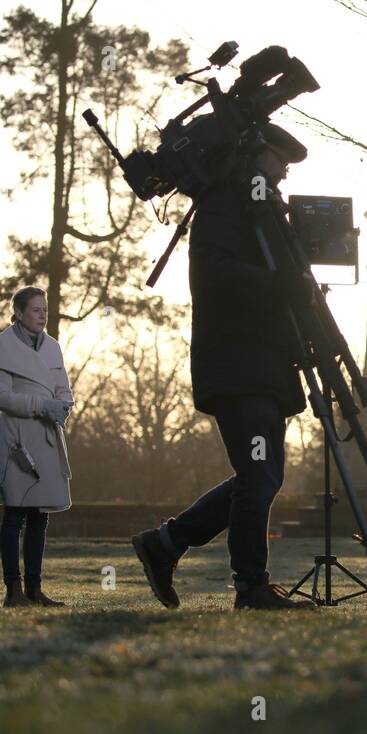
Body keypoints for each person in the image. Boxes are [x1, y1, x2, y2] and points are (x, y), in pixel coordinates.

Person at [131, 126, 315, 610]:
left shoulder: (261, 212)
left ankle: (166, 543)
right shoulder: (224, 206)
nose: (283, 171)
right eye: (279, 159)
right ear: (255, 154)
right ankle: (250, 585)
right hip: (238, 362)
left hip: (264, 361)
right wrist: (282, 285)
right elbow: (214, 276)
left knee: (263, 474)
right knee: (259, 474)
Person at [0, 286, 73, 607]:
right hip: (18, 439)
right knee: (15, 516)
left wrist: (63, 405)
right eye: (36, 310)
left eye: (45, 310)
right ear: (19, 314)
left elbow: (63, 387)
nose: (42, 315)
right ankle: (14, 591)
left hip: (48, 437)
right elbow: (1, 398)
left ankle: (35, 589)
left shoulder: (53, 348)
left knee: (40, 517)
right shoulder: (1, 346)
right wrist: (42, 405)